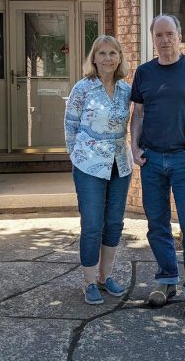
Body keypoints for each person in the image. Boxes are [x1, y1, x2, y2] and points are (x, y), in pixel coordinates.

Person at [130, 15, 185, 317]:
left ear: (179, 36)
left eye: (170, 34)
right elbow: (138, 114)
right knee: (156, 223)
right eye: (159, 35)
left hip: (184, 159)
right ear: (152, 38)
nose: (164, 40)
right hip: (152, 159)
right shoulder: (144, 73)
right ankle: (166, 280)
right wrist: (134, 146)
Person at [64, 35, 133, 305]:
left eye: (113, 53)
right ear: (94, 58)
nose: (107, 58)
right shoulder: (83, 88)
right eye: (102, 53)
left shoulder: (127, 90)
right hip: (89, 164)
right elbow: (70, 126)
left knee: (114, 223)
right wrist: (77, 155)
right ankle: (89, 281)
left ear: (119, 58)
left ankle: (106, 277)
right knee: (92, 225)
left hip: (120, 164)